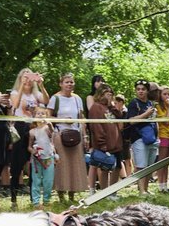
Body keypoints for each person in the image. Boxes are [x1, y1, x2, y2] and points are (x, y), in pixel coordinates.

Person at [8, 68, 49, 208]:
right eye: (24, 77)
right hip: (20, 127)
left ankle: (34, 198)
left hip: (34, 128)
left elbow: (46, 100)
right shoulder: (14, 92)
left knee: (34, 163)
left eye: (30, 78)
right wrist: (21, 87)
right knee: (16, 165)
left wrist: (41, 85)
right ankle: (13, 199)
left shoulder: (35, 94)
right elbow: (15, 104)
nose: (27, 81)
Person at [47, 72, 88, 202]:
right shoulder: (55, 98)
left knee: (75, 165)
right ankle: (60, 195)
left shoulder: (77, 99)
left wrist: (85, 135)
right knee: (61, 165)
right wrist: (62, 119)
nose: (69, 84)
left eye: (71, 82)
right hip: (60, 134)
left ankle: (72, 194)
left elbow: (81, 118)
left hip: (76, 135)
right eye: (67, 82)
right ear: (61, 84)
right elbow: (47, 117)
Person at [87, 83, 122, 197]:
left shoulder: (110, 108)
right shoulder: (96, 107)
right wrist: (102, 144)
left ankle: (113, 192)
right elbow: (96, 127)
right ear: (100, 95)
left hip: (116, 143)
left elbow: (119, 117)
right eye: (107, 94)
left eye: (111, 94)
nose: (109, 96)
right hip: (104, 144)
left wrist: (112, 106)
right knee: (105, 167)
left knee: (117, 167)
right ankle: (105, 192)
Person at [126, 79, 158, 196]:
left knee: (149, 166)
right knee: (141, 166)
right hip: (138, 138)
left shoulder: (150, 103)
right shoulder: (134, 103)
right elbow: (131, 121)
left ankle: (146, 189)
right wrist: (146, 114)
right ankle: (141, 191)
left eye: (143, 89)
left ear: (147, 91)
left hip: (151, 138)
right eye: (138, 89)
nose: (140, 92)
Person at [28, 106, 56, 209]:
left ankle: (46, 200)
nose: (40, 115)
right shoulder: (32, 131)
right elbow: (29, 146)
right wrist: (33, 151)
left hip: (48, 158)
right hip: (36, 159)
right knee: (36, 181)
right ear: (34, 116)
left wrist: (49, 124)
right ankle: (36, 202)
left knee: (48, 181)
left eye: (42, 113)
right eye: (38, 114)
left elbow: (51, 133)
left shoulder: (48, 128)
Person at [155, 85, 169, 192]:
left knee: (167, 162)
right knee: (162, 162)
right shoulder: (158, 107)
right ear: (160, 95)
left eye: (168, 94)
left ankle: (165, 185)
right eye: (164, 94)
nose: (167, 96)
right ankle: (161, 185)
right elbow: (166, 121)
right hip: (163, 136)